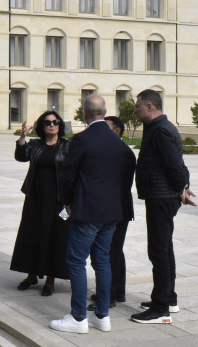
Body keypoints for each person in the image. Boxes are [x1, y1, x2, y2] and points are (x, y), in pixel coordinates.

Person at [50, 95, 136, 334]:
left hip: (87, 212)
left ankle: (78, 318)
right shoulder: (120, 144)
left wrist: (67, 200)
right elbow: (128, 174)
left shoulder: (82, 140)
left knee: (76, 261)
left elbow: (68, 174)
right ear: (104, 112)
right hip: (112, 213)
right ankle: (102, 315)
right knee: (102, 261)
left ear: (84, 114)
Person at [131, 89, 197, 324]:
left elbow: (174, 165)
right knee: (164, 249)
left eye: (138, 106)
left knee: (158, 251)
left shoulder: (160, 130)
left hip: (161, 197)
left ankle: (160, 309)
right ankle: (168, 298)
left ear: (150, 106)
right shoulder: (159, 127)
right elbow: (178, 162)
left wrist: (182, 188)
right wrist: (183, 186)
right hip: (161, 195)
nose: (135, 110)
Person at [11, 110, 70, 297]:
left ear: (60, 125)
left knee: (54, 237)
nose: (51, 125)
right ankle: (31, 275)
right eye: (47, 123)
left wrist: (71, 201)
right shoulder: (36, 145)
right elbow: (21, 156)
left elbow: (73, 173)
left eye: (55, 122)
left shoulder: (67, 146)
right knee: (32, 234)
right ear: (41, 127)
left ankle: (51, 279)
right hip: (35, 197)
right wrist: (22, 137)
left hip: (58, 199)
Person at [89, 116, 135, 311]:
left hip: (116, 209)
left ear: (116, 131)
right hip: (115, 207)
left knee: (108, 251)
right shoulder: (118, 150)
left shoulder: (123, 152)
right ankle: (117, 291)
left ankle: (108, 297)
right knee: (114, 250)